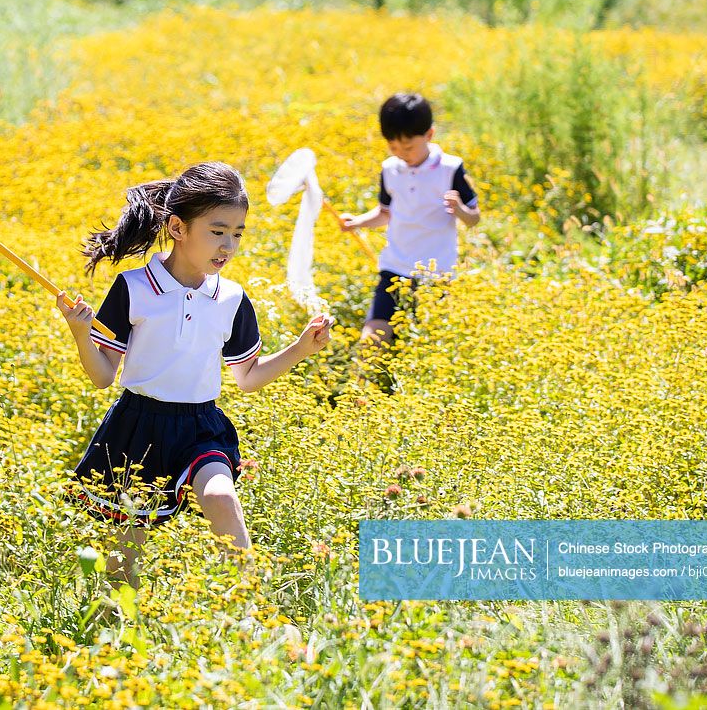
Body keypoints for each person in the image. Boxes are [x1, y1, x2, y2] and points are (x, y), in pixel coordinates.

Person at [57, 161, 334, 590]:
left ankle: (250, 601)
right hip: (137, 426)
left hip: (201, 425)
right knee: (121, 569)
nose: (229, 245)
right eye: (218, 231)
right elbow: (102, 376)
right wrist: (81, 333)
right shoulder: (133, 287)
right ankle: (117, 632)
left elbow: (248, 376)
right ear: (177, 228)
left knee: (221, 496)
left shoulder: (232, 298)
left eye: (238, 233)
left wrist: (300, 348)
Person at [340, 93, 480, 355]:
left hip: (437, 271)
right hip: (395, 265)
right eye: (393, 147)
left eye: (407, 147)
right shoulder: (390, 169)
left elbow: (474, 218)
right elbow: (385, 213)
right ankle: (360, 390)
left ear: (429, 134)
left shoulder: (451, 168)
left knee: (431, 340)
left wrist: (460, 210)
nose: (401, 154)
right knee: (374, 334)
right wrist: (357, 222)